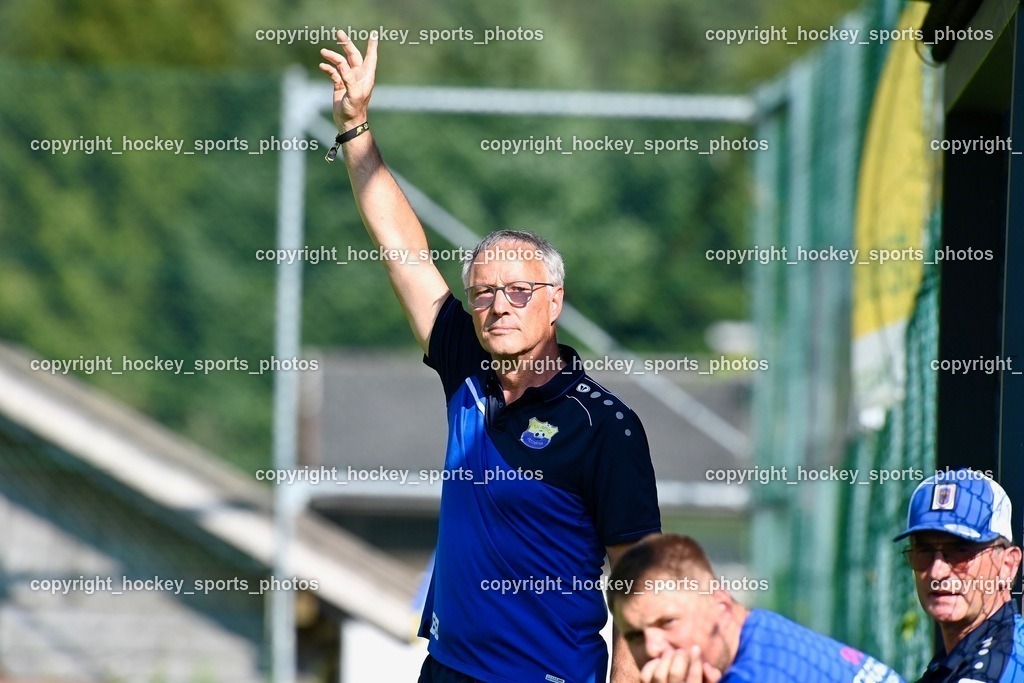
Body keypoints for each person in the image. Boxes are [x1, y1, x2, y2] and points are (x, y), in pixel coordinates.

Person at [318, 31, 661, 683]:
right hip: (446, 669)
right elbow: (403, 249)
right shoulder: (464, 363)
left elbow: (638, 581)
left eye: (518, 291)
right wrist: (356, 127)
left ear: (554, 301)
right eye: (483, 292)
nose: (498, 305)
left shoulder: (605, 429)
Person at [605, 534, 905, 683]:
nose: (653, 647)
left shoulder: (760, 674)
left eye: (667, 622)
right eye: (634, 636)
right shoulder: (760, 631)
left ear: (720, 603)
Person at [893, 468, 1024, 682]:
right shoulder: (962, 657)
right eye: (924, 551)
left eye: (961, 551)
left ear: (1007, 565)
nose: (937, 572)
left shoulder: (995, 670)